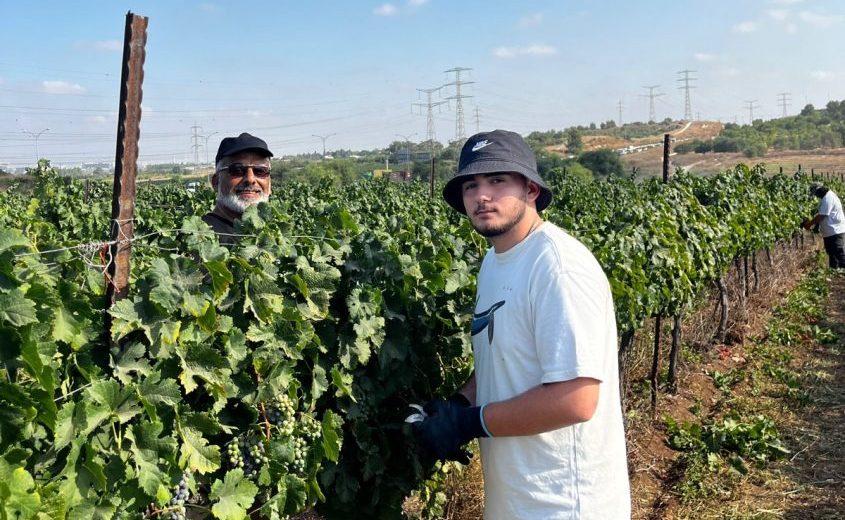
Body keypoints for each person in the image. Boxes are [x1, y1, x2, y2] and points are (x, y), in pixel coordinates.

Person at [412, 130, 630, 519]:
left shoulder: (557, 266)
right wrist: (458, 403)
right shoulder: (495, 263)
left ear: (531, 189)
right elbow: (506, 359)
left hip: (564, 504)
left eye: (497, 181)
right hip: (519, 499)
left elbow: (576, 399)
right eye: (471, 185)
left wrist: (467, 423)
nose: (482, 196)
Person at [202, 132, 274, 243]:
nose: (250, 179)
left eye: (260, 171)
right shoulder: (200, 236)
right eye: (238, 170)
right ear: (216, 182)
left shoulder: (275, 234)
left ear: (269, 185)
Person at [803, 184, 845, 268]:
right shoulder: (828, 196)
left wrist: (809, 224)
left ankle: (839, 273)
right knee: (832, 254)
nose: (816, 196)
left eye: (816, 194)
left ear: (819, 191)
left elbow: (822, 216)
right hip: (831, 231)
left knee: (839, 254)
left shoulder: (827, 199)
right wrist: (816, 226)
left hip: (835, 231)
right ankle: (834, 272)